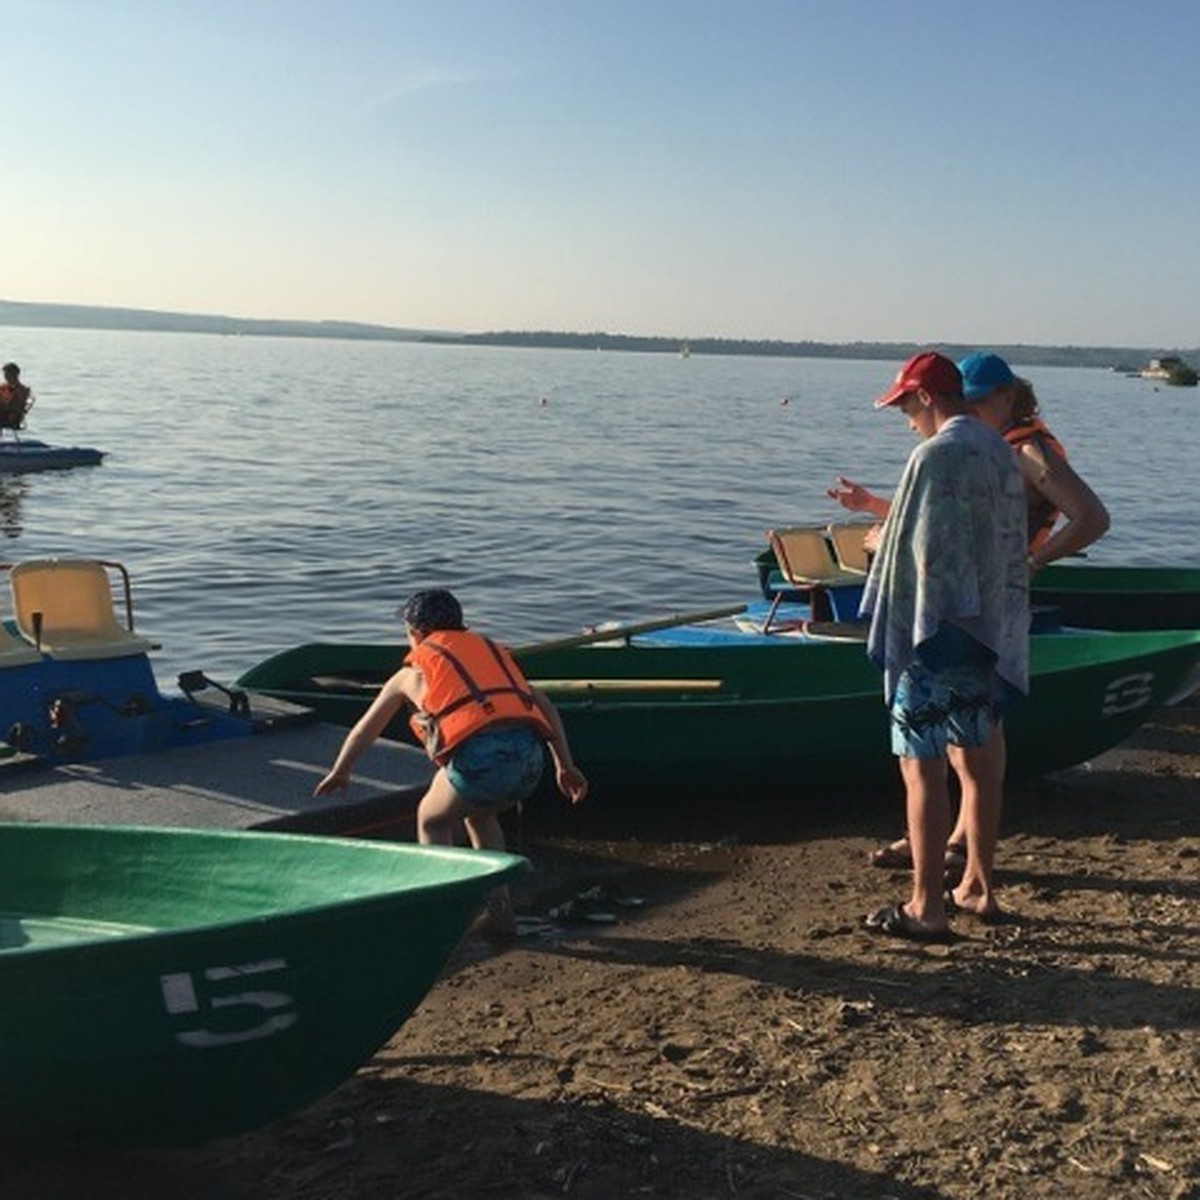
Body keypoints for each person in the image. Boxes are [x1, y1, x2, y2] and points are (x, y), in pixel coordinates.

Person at [836, 352, 1110, 879]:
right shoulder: (993, 452)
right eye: (970, 397)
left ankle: (937, 875)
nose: (975, 407)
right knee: (971, 748)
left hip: (965, 609)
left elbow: (1091, 517)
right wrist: (874, 507)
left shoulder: (1023, 451)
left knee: (945, 757)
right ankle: (963, 854)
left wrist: (1033, 561)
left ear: (1009, 396)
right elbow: (940, 511)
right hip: (991, 610)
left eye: (983, 398)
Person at [859, 353, 1028, 940]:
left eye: (906, 405)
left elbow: (916, 549)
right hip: (987, 630)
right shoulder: (1001, 451)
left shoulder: (931, 455)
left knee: (921, 769)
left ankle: (925, 906)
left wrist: (879, 542)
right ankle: (980, 886)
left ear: (928, 398)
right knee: (980, 769)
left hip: (935, 635)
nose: (905, 419)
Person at [314, 588, 588, 935]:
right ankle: (501, 916)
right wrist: (565, 765)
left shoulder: (408, 676)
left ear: (414, 633)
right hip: (531, 762)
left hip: (483, 763)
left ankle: (441, 916)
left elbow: (364, 731)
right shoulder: (488, 653)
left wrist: (341, 770)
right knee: (481, 816)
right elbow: (545, 706)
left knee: (430, 819)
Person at [0, 363, 32, 432]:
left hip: (10, 418)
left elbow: (28, 401)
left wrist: (25, 410)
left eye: (8, 374)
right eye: (5, 374)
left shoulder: (22, 389)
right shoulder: (3, 387)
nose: (6, 376)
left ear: (16, 374)